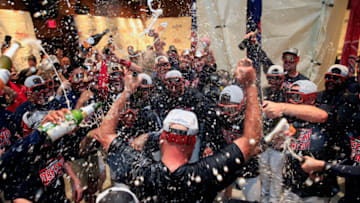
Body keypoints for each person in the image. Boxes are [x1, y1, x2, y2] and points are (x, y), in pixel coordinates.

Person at [88, 58, 262, 202]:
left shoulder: (143, 172)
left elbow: (105, 134)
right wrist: (251, 85)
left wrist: (126, 92)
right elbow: (251, 140)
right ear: (193, 143)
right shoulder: (205, 175)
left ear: (162, 137)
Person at [267, 80, 339, 203]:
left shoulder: (325, 111)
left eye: (296, 97)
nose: (290, 101)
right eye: (289, 96)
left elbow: (322, 115)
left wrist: (283, 107)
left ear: (311, 100)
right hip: (293, 185)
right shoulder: (288, 118)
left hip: (318, 188)